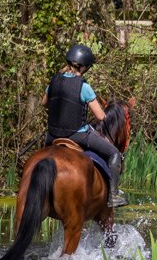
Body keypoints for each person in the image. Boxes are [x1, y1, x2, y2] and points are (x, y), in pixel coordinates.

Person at [42, 44, 128, 208]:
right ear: (84, 67)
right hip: (77, 135)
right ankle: (113, 195)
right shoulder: (84, 87)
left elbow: (44, 103)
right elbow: (101, 116)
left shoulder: (53, 81)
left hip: (52, 135)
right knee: (114, 153)